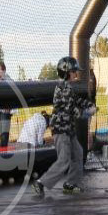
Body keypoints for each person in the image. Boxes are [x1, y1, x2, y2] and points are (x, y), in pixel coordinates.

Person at [32, 57, 95, 196]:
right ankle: (41, 183)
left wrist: (89, 105)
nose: (76, 74)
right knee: (64, 159)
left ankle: (70, 184)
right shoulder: (62, 87)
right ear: (67, 72)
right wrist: (86, 113)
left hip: (68, 128)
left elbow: (76, 100)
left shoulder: (68, 87)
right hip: (61, 129)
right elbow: (72, 109)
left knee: (78, 153)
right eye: (74, 71)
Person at [0, 62, 13, 147]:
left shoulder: (8, 80)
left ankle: (4, 147)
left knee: (4, 133)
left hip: (5, 111)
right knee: (1, 132)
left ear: (4, 70)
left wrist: (9, 107)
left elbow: (13, 95)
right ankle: (2, 146)